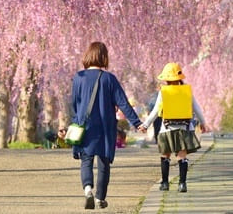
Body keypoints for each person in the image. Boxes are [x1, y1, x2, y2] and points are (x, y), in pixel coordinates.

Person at [70, 41, 144, 210]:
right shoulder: (109, 79)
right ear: (104, 57)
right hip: (104, 126)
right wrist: (137, 123)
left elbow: (74, 103)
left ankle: (88, 189)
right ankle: (99, 198)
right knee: (103, 162)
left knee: (86, 159)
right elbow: (123, 103)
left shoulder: (78, 78)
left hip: (84, 125)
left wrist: (76, 119)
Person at [138, 62, 207, 193]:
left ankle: (165, 183)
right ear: (180, 77)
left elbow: (155, 111)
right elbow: (196, 108)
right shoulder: (187, 91)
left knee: (165, 155)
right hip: (185, 129)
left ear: (166, 79)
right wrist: (203, 123)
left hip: (167, 128)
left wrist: (145, 125)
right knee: (182, 156)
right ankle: (182, 184)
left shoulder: (163, 92)